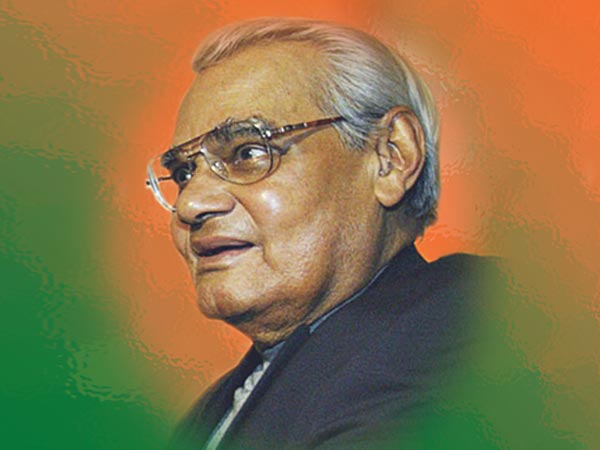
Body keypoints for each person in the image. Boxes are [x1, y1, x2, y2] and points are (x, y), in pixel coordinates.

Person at [145, 17, 498, 450]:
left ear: (390, 157)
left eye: (248, 152)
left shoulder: (473, 325)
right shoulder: (212, 410)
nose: (190, 204)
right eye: (184, 173)